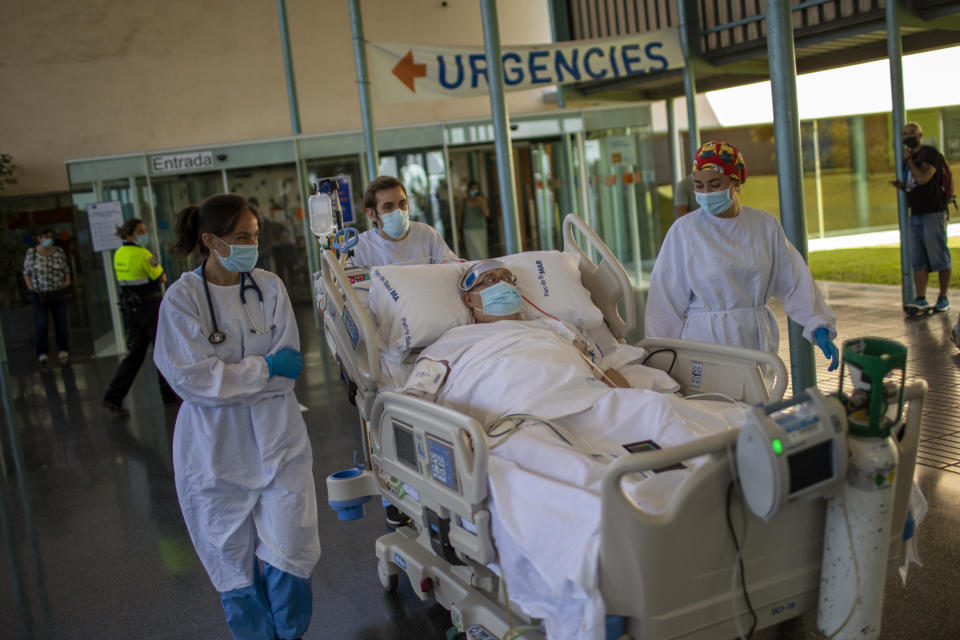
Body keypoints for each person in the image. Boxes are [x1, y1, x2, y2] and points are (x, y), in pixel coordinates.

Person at [153, 194, 320, 640]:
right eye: (242, 236)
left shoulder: (268, 287)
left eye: (255, 235)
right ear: (210, 240)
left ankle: (290, 634)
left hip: (278, 437)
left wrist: (232, 378)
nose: (253, 244)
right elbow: (191, 380)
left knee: (290, 546)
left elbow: (290, 370)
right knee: (230, 557)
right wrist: (262, 368)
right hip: (214, 450)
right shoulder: (182, 298)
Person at [645, 140, 840, 371]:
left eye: (715, 184)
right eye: (699, 186)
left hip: (755, 339)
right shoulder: (685, 231)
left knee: (757, 404)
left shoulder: (764, 226)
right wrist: (659, 360)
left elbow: (794, 280)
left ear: (736, 182)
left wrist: (817, 322)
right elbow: (664, 302)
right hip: (705, 341)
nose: (706, 193)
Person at [101, 218, 178, 417]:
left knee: (134, 356)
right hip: (150, 307)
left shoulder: (118, 254)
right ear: (129, 235)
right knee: (162, 351)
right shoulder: (143, 254)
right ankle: (170, 396)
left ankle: (113, 396)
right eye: (141, 231)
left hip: (131, 310)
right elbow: (161, 277)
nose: (144, 234)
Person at [890, 121, 952, 314]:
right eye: (905, 133)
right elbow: (912, 184)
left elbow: (923, 179)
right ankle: (921, 298)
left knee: (939, 256)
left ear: (921, 134)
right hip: (915, 213)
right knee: (918, 259)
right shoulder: (907, 158)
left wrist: (909, 161)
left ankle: (943, 297)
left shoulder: (929, 154)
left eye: (912, 133)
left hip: (933, 212)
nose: (908, 136)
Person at [349, 175, 457, 267]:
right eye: (388, 206)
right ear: (372, 214)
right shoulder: (359, 248)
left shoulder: (427, 235)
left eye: (402, 204)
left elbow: (453, 268)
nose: (398, 211)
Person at [23, 229, 71, 366]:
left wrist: (67, 281)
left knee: (60, 321)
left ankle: (63, 349)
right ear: (39, 238)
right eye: (46, 237)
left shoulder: (58, 252)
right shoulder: (32, 254)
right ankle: (42, 352)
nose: (49, 240)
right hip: (39, 293)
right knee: (41, 323)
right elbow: (26, 272)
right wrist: (30, 286)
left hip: (57, 291)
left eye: (50, 237)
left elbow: (65, 268)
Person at [457, 180, 490, 259]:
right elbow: (459, 217)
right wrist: (458, 232)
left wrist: (481, 201)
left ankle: (483, 267)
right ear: (469, 190)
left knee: (482, 250)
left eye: (476, 189)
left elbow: (487, 214)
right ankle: (476, 267)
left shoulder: (482, 199)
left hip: (481, 228)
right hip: (469, 229)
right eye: (472, 189)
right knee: (474, 250)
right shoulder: (464, 201)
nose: (474, 191)